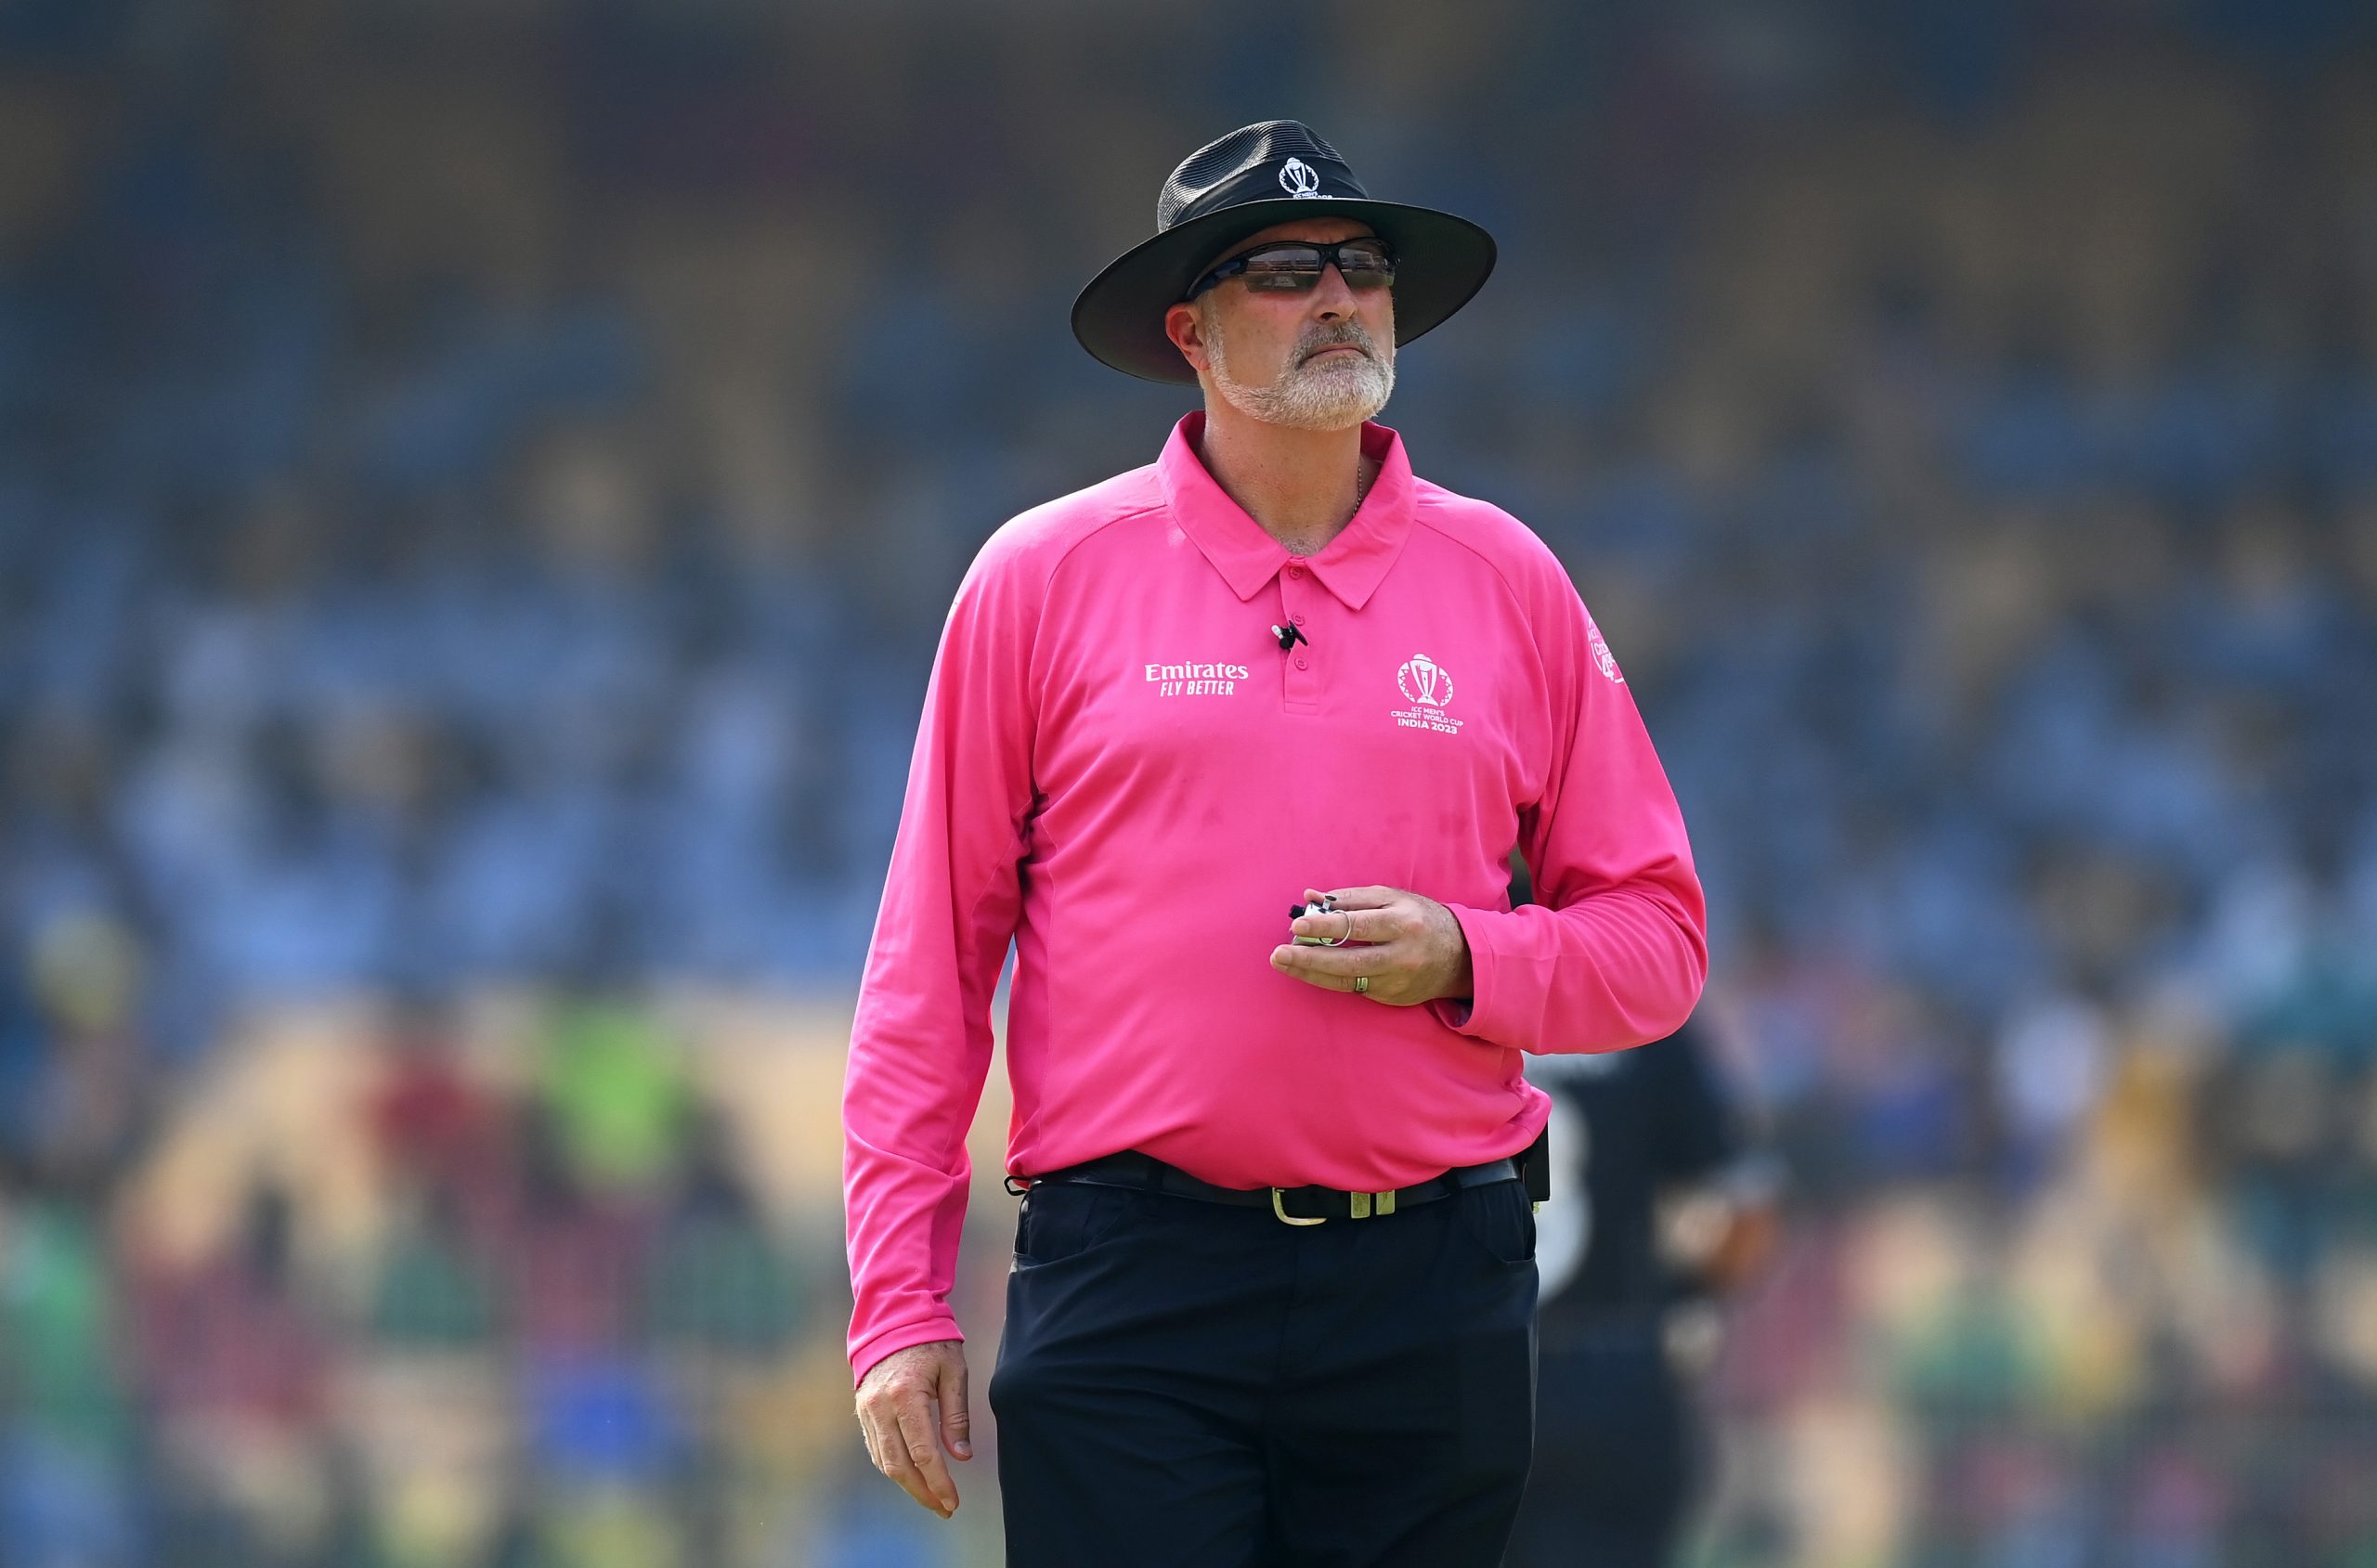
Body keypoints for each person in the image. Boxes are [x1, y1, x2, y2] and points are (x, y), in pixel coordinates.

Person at [842, 120, 1708, 1567]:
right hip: (1131, 1281)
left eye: (1362, 268)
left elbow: (1661, 946)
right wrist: (898, 1303)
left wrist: (1465, 955)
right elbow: (927, 971)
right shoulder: (1039, 579)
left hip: (1432, 1286)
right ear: (1188, 331)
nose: (1340, 299)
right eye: (1286, 272)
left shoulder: (1511, 580)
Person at [1503, 1017, 1778, 1568]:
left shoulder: (1432, 1010)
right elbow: (1746, 1213)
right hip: (1612, 1370)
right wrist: (1688, 1302)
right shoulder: (1641, 1017)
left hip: (1462, 1374)